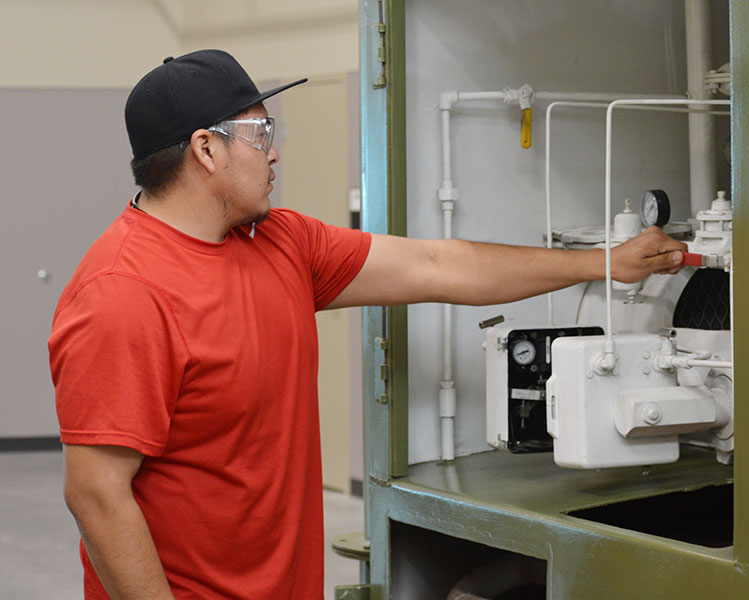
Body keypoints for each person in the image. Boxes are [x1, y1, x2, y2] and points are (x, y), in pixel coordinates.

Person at [48, 49, 687, 600]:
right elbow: (99, 496)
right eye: (261, 134)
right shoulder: (123, 293)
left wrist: (602, 263)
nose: (274, 155)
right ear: (206, 149)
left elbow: (443, 266)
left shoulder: (281, 242)